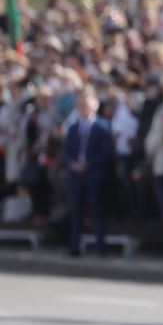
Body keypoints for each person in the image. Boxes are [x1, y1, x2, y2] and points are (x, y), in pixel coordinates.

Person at [62, 87, 113, 257]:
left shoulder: (102, 127)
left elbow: (105, 151)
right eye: (81, 104)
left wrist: (88, 164)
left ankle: (101, 247)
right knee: (75, 211)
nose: (84, 107)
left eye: (87, 104)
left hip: (93, 175)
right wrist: (73, 164)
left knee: (97, 211)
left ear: (95, 106)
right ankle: (74, 246)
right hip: (76, 175)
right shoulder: (73, 128)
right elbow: (67, 151)